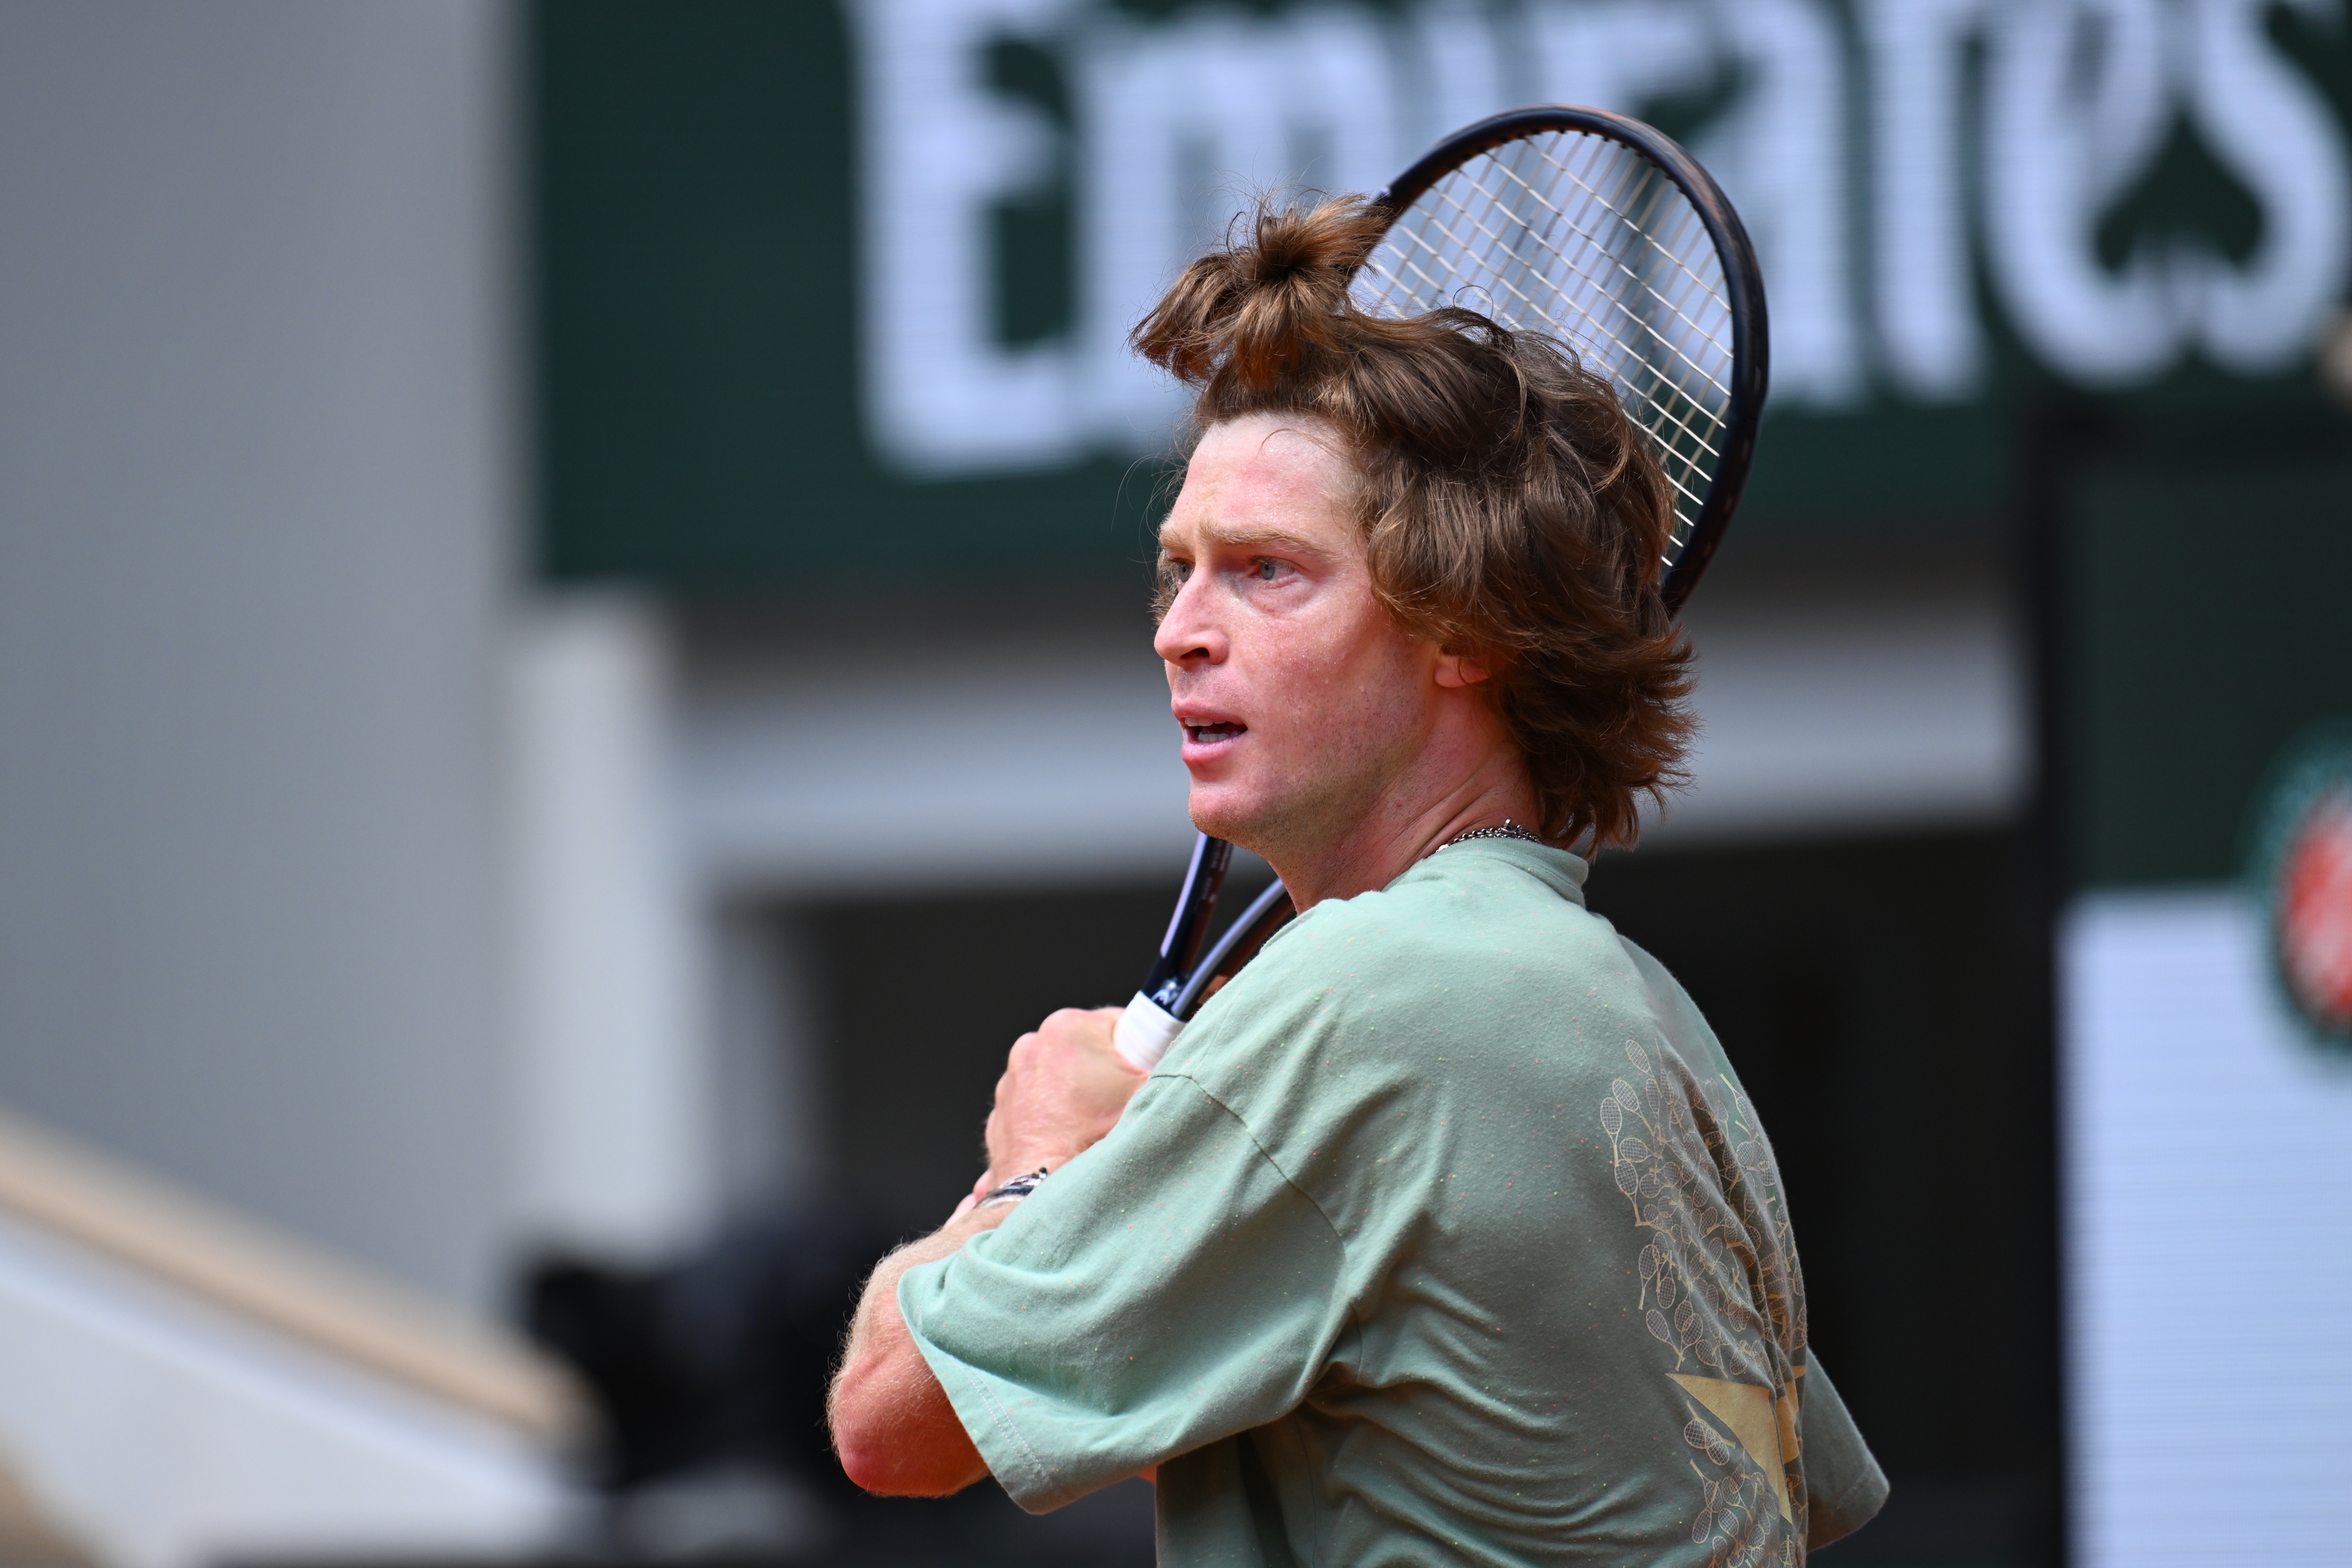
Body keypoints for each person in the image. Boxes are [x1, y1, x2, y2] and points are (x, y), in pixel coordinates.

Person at [828, 196, 1888, 1566]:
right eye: (1178, 573)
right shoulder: (1656, 1025)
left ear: (1468, 627)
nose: (1180, 633)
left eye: (1268, 573)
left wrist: (1039, 1167)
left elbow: (889, 1425)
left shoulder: (1360, 1000)